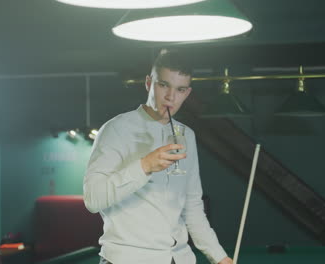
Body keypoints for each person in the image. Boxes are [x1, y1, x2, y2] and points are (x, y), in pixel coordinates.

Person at [83, 49, 232, 264]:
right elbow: (92, 199)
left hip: (178, 259)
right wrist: (144, 166)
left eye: (180, 89)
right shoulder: (116, 129)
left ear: (187, 93)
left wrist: (219, 257)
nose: (171, 97)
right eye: (164, 85)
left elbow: (192, 207)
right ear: (148, 83)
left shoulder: (186, 136)